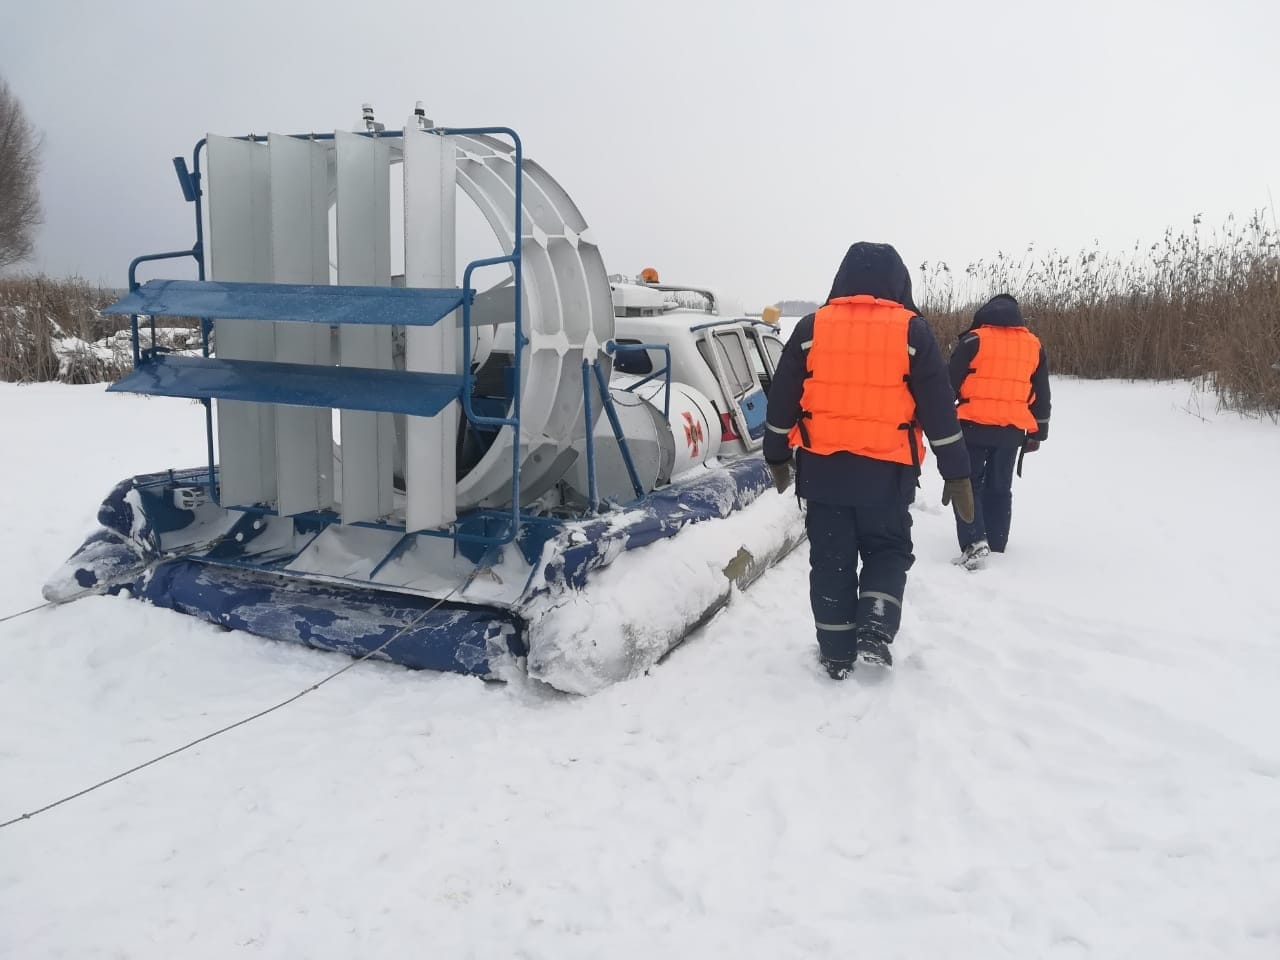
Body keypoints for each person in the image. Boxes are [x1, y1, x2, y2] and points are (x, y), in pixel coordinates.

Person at [763, 242, 974, 680]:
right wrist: (957, 472)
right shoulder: (913, 332)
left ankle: (836, 654)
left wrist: (777, 453)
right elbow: (939, 410)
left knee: (831, 558)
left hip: (823, 473)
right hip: (887, 475)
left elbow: (783, 399)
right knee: (887, 548)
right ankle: (876, 627)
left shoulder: (809, 328)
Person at [947, 293, 1051, 569]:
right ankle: (997, 543)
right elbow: (1041, 392)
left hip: (972, 426)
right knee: (1000, 487)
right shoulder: (1033, 345)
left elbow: (948, 385)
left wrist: (941, 423)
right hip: (1011, 431)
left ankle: (974, 541)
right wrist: (1038, 432)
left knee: (968, 485)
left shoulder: (973, 340)